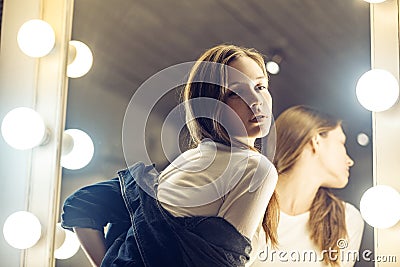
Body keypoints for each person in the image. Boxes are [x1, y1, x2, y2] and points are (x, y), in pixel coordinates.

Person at [61, 44, 279, 267]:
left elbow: (81, 205)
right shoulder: (256, 168)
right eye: (235, 93)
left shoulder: (183, 162)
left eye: (260, 86)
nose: (256, 100)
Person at [251, 105, 364, 267]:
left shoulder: (346, 220)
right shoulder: (246, 208)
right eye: (342, 143)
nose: (349, 160)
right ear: (316, 140)